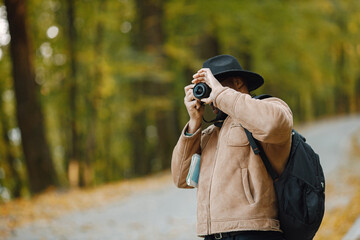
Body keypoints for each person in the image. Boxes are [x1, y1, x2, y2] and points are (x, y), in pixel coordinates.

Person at [171, 54, 293, 240]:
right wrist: (194, 121)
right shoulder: (210, 133)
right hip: (212, 234)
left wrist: (219, 94)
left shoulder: (267, 107)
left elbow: (273, 125)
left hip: (254, 230)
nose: (210, 96)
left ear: (237, 82)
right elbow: (181, 178)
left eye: (214, 85)